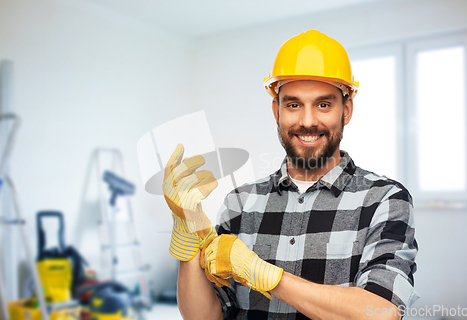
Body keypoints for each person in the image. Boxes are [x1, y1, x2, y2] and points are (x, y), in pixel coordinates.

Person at [163, 30, 419, 320]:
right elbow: (204, 317)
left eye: (323, 105)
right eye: (293, 105)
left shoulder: (384, 199)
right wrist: (187, 245)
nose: (307, 121)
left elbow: (382, 313)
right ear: (277, 110)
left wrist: (269, 277)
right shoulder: (241, 202)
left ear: (346, 110)